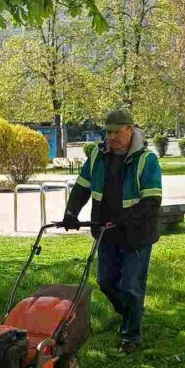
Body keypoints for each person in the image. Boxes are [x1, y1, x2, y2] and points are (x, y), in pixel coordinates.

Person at [62, 108, 162, 354]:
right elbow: (82, 188)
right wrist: (71, 213)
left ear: (130, 129)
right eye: (108, 132)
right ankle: (130, 314)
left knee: (131, 287)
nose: (111, 137)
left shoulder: (146, 160)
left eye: (117, 132)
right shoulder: (98, 155)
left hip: (136, 235)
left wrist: (123, 219)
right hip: (106, 232)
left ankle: (130, 336)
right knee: (105, 281)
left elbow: (151, 202)